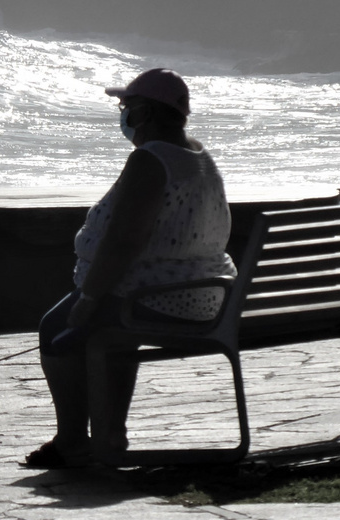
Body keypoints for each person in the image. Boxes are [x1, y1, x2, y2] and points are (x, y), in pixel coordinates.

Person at [23, 68, 237, 469]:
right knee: (109, 335)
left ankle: (72, 439)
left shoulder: (150, 161)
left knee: (58, 327)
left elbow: (124, 241)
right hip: (211, 292)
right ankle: (110, 433)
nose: (123, 116)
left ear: (145, 114)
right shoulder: (199, 156)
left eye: (126, 107)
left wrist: (89, 298)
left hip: (161, 297)